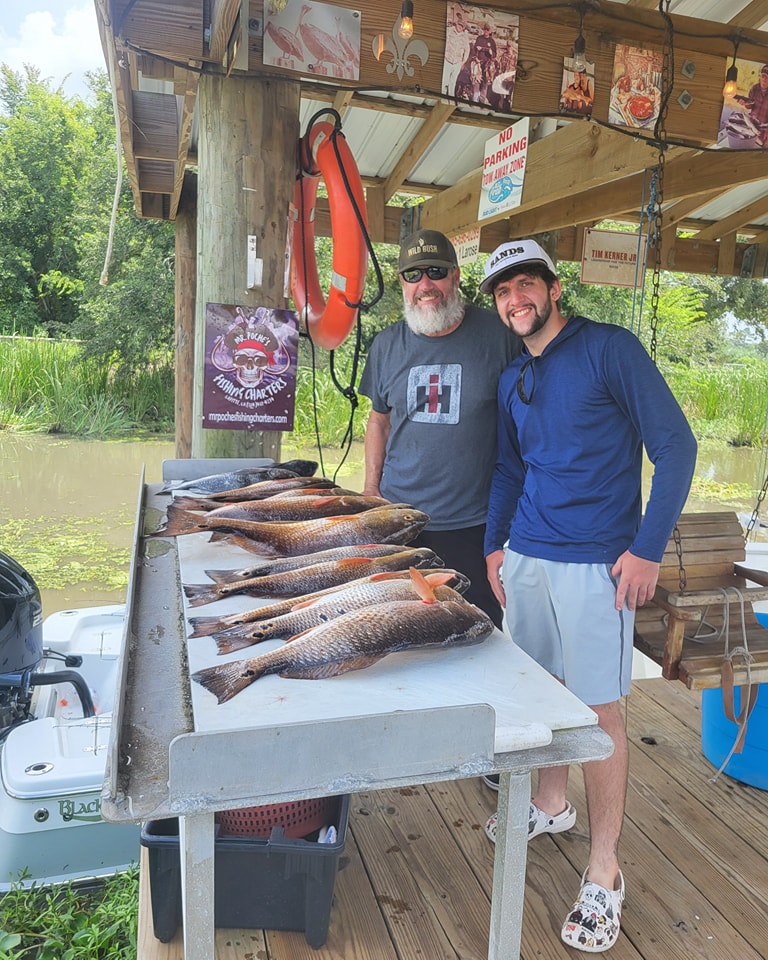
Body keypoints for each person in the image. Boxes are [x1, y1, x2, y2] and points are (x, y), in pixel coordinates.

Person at [479, 239, 697, 952]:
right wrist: (494, 545)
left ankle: (605, 871)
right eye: (504, 291)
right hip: (529, 562)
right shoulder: (516, 379)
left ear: (553, 287)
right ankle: (550, 803)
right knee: (539, 697)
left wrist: (646, 549)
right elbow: (510, 472)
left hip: (599, 565)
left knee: (600, 712)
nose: (516, 299)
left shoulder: (610, 349)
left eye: (526, 285)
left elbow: (677, 447)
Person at [359, 230, 520, 629]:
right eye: (414, 275)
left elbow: (528, 423)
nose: (425, 285)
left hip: (475, 525)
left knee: (476, 630)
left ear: (456, 275)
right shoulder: (386, 345)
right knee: (397, 627)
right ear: (402, 283)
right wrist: (370, 489)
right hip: (400, 520)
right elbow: (379, 419)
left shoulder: (500, 337)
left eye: (435, 272)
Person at [443, 9, 471, 98]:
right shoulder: (449, 31)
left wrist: (463, 62)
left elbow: (467, 49)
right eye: (459, 24)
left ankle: (450, 99)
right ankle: (443, 98)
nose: (460, 26)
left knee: (453, 82)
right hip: (447, 60)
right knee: (444, 82)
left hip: (457, 62)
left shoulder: (465, 36)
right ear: (456, 23)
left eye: (462, 26)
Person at [747, 64, 768, 143]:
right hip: (750, 122)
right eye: (763, 76)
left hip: (764, 127)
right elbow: (749, 106)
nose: (764, 79)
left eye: (767, 77)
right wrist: (746, 103)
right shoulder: (754, 88)